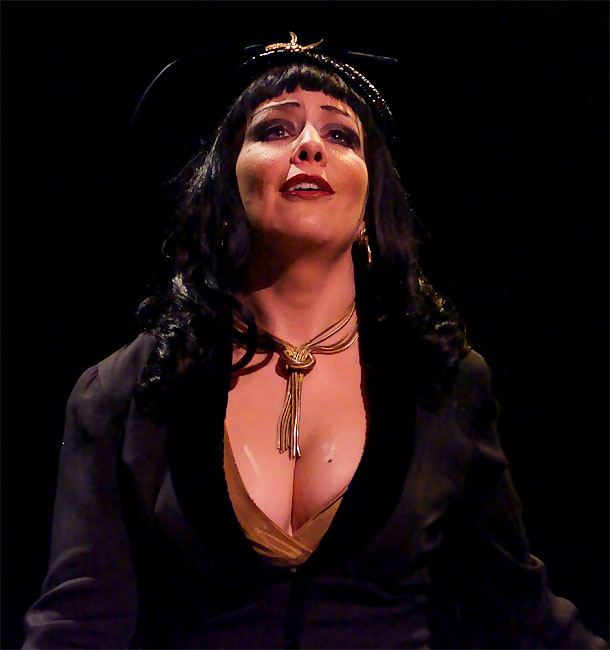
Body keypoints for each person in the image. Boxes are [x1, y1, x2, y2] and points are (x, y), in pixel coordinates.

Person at [22, 33, 608, 649]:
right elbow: (76, 625)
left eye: (341, 135)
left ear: (370, 204)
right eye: (275, 129)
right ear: (227, 187)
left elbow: (522, 616)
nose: (309, 145)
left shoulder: (441, 381)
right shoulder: (127, 391)